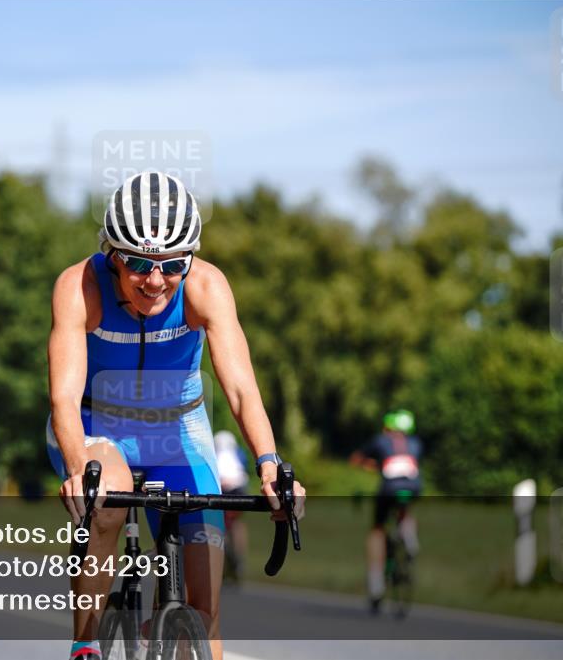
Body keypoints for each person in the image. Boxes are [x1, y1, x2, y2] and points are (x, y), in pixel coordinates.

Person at [47, 171, 305, 660]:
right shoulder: (79, 287)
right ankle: (85, 644)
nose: (155, 279)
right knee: (104, 501)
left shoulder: (206, 286)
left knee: (205, 611)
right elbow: (63, 397)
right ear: (112, 254)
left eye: (172, 264)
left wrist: (271, 467)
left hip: (178, 429)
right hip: (98, 426)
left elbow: (241, 388)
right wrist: (80, 467)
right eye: (139, 263)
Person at [349, 409, 422, 613]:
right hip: (413, 486)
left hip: (389, 488)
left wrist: (373, 465)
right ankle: (408, 535)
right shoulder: (415, 442)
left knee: (377, 529)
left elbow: (357, 459)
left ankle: (376, 583)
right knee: (406, 509)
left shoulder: (381, 440)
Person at [214, 430, 250, 584]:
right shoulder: (238, 453)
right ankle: (239, 560)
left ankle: (222, 564)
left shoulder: (214, 453)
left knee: (218, 527)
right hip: (238, 490)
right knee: (236, 524)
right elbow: (244, 471)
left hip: (222, 490)